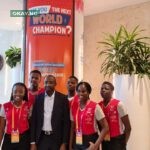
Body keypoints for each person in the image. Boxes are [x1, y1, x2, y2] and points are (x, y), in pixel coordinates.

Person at [30, 75, 70, 150]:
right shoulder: (38, 98)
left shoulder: (63, 99)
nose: (48, 84)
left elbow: (66, 123)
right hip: (41, 138)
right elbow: (34, 121)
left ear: (55, 84)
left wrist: (64, 143)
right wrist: (32, 142)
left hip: (57, 139)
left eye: (51, 82)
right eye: (46, 82)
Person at [69, 81, 108, 150]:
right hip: (77, 139)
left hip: (91, 140)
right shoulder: (74, 106)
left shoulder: (95, 106)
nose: (80, 93)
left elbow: (105, 127)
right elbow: (72, 127)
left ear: (89, 92)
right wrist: (70, 145)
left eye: (83, 91)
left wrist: (96, 145)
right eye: (78, 91)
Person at [98, 81, 131, 150]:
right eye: (102, 88)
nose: (103, 90)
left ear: (112, 91)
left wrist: (123, 144)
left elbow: (128, 128)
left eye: (106, 88)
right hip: (105, 140)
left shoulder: (119, 104)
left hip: (117, 140)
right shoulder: (98, 106)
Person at [0, 82, 31, 150]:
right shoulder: (5, 106)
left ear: (24, 93)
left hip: (24, 138)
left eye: (21, 92)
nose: (18, 94)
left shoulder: (28, 106)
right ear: (12, 93)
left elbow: (31, 125)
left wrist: (32, 143)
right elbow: (2, 127)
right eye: (15, 91)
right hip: (8, 138)